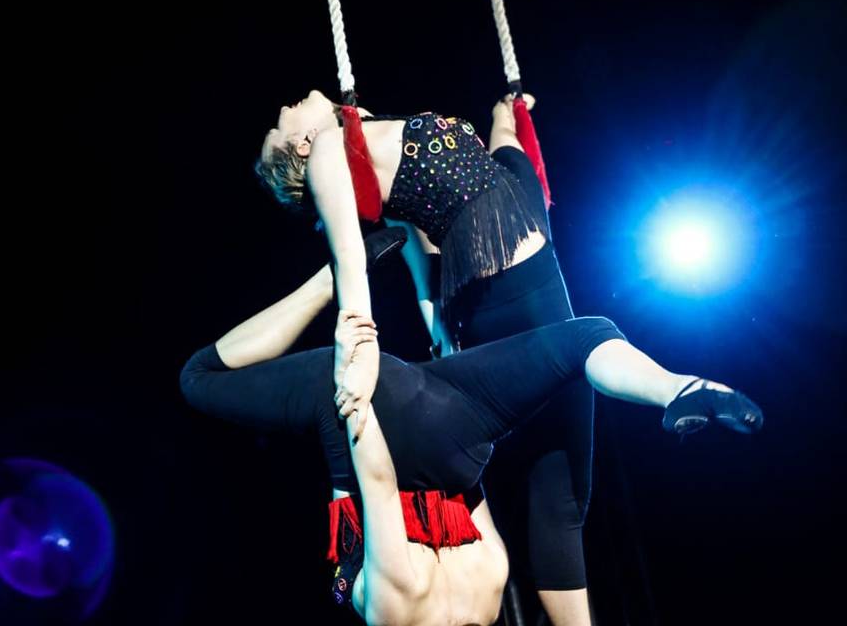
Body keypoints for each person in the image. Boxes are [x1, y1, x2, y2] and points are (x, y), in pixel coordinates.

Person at [254, 90, 761, 624]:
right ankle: (681, 389)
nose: (286, 105)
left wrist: (506, 114)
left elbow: (424, 252)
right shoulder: (330, 154)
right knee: (592, 336)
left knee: (563, 495)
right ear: (302, 145)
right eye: (280, 121)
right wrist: (355, 349)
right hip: (499, 287)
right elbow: (350, 265)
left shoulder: (364, 138)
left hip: (529, 259)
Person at [179, 235, 763, 625]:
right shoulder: (393, 609)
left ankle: (678, 388)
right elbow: (377, 483)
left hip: (453, 432)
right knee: (198, 379)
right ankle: (333, 281)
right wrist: (353, 395)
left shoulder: (489, 595)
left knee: (586, 337)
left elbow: (470, 490)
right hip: (373, 426)